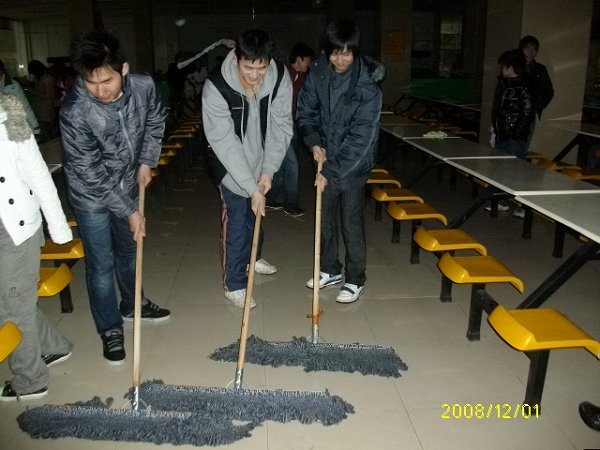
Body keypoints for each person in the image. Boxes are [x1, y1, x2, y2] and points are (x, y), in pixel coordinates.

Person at [60, 31, 170, 365]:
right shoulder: (75, 111)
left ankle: (133, 304)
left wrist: (148, 160)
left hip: (127, 182)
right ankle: (110, 328)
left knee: (129, 250)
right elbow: (91, 171)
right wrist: (130, 210)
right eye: (90, 83)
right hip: (90, 194)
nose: (99, 91)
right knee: (101, 265)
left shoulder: (144, 86)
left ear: (123, 69)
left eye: (106, 81)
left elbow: (155, 119)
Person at [202, 29, 293, 308]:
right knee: (238, 221)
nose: (255, 75)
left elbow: (281, 128)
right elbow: (224, 142)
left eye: (261, 68)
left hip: (262, 160)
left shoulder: (279, 79)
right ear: (237, 57)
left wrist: (267, 172)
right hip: (230, 165)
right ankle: (234, 283)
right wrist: (250, 186)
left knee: (256, 213)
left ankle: (253, 259)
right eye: (248, 67)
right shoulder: (216, 86)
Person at [297, 21, 382, 304]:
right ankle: (330, 269)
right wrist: (313, 142)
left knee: (350, 222)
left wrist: (330, 170)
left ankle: (356, 278)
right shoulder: (318, 73)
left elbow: (361, 138)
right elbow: (305, 112)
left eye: (347, 53)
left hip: (354, 165)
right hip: (325, 158)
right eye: (335, 52)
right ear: (327, 51)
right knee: (325, 218)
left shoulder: (367, 86)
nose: (340, 59)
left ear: (355, 52)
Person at [0, 92, 73, 401]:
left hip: (15, 232)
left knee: (12, 308)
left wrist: (58, 229)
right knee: (15, 303)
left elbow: (41, 178)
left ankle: (30, 380)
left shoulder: (10, 123)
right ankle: (54, 347)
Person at [267, 42, 315, 218]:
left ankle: (269, 198)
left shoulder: (301, 77)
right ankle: (291, 204)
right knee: (293, 165)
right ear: (300, 59)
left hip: (291, 126)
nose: (309, 63)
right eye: (308, 60)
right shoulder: (283, 75)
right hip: (278, 128)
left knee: (281, 165)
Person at [488, 49, 534, 216]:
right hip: (501, 133)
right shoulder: (502, 84)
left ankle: (523, 207)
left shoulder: (524, 85)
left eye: (503, 67)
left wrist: (516, 133)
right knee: (500, 170)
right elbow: (497, 108)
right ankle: (502, 201)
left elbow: (527, 113)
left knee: (516, 172)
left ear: (511, 67)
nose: (501, 70)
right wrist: (494, 125)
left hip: (514, 136)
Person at [0, 59, 40, 135]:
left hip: (13, 127)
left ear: (1, 70)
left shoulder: (13, 85)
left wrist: (35, 127)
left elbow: (25, 106)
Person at [519, 35, 554, 121]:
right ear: (521, 50)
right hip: (511, 113)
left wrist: (538, 106)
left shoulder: (540, 69)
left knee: (527, 133)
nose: (530, 53)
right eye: (527, 49)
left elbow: (549, 91)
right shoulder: (513, 68)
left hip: (530, 114)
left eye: (534, 49)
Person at [27, 60, 58, 142]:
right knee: (45, 134)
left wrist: (33, 92)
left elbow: (48, 96)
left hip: (46, 112)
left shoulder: (47, 79)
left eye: (34, 72)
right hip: (41, 111)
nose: (33, 74)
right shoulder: (41, 79)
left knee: (49, 135)